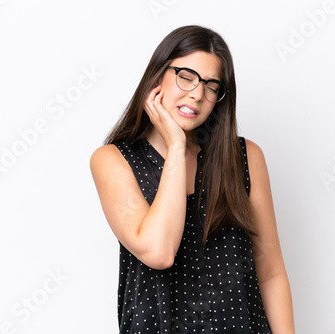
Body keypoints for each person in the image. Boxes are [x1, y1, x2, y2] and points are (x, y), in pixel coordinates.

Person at [90, 25, 295, 334]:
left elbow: (270, 271)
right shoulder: (113, 160)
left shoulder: (244, 157)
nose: (198, 93)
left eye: (212, 86)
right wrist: (175, 146)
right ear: (157, 76)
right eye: (186, 76)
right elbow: (159, 253)